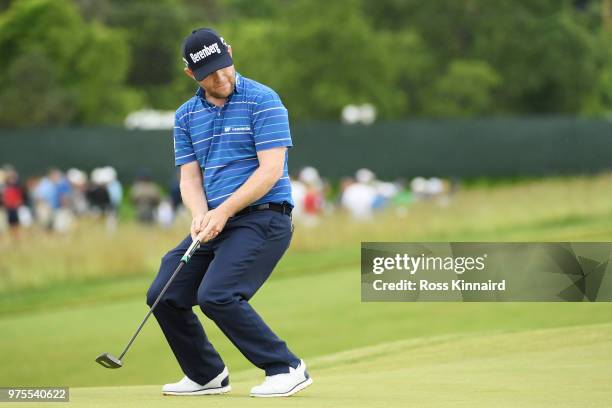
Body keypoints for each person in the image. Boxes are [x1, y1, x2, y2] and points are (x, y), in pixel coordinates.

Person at [146, 28, 312, 398]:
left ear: (230, 53)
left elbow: (270, 171)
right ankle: (206, 374)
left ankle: (286, 366)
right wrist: (200, 215)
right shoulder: (186, 116)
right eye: (209, 73)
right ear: (191, 74)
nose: (221, 77)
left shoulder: (263, 100)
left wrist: (222, 211)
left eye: (224, 66)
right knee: (164, 293)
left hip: (264, 217)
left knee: (217, 294)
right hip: (217, 218)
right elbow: (189, 178)